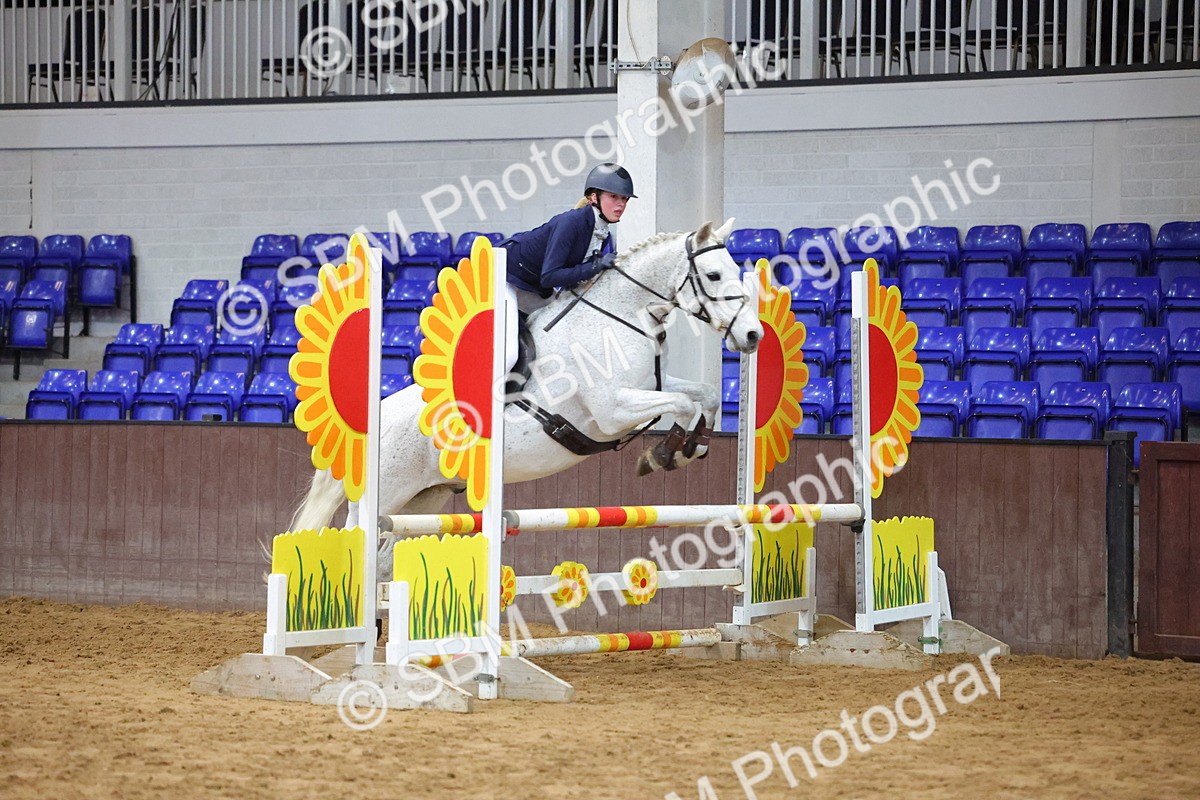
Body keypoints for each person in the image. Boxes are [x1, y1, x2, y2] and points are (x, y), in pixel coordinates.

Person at [500, 162, 636, 316]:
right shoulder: (571, 223)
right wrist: (595, 267)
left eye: (624, 199)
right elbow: (549, 276)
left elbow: (573, 277)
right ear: (593, 197)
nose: (621, 204)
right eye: (613, 197)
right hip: (505, 274)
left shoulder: (601, 232)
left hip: (534, 285)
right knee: (511, 335)